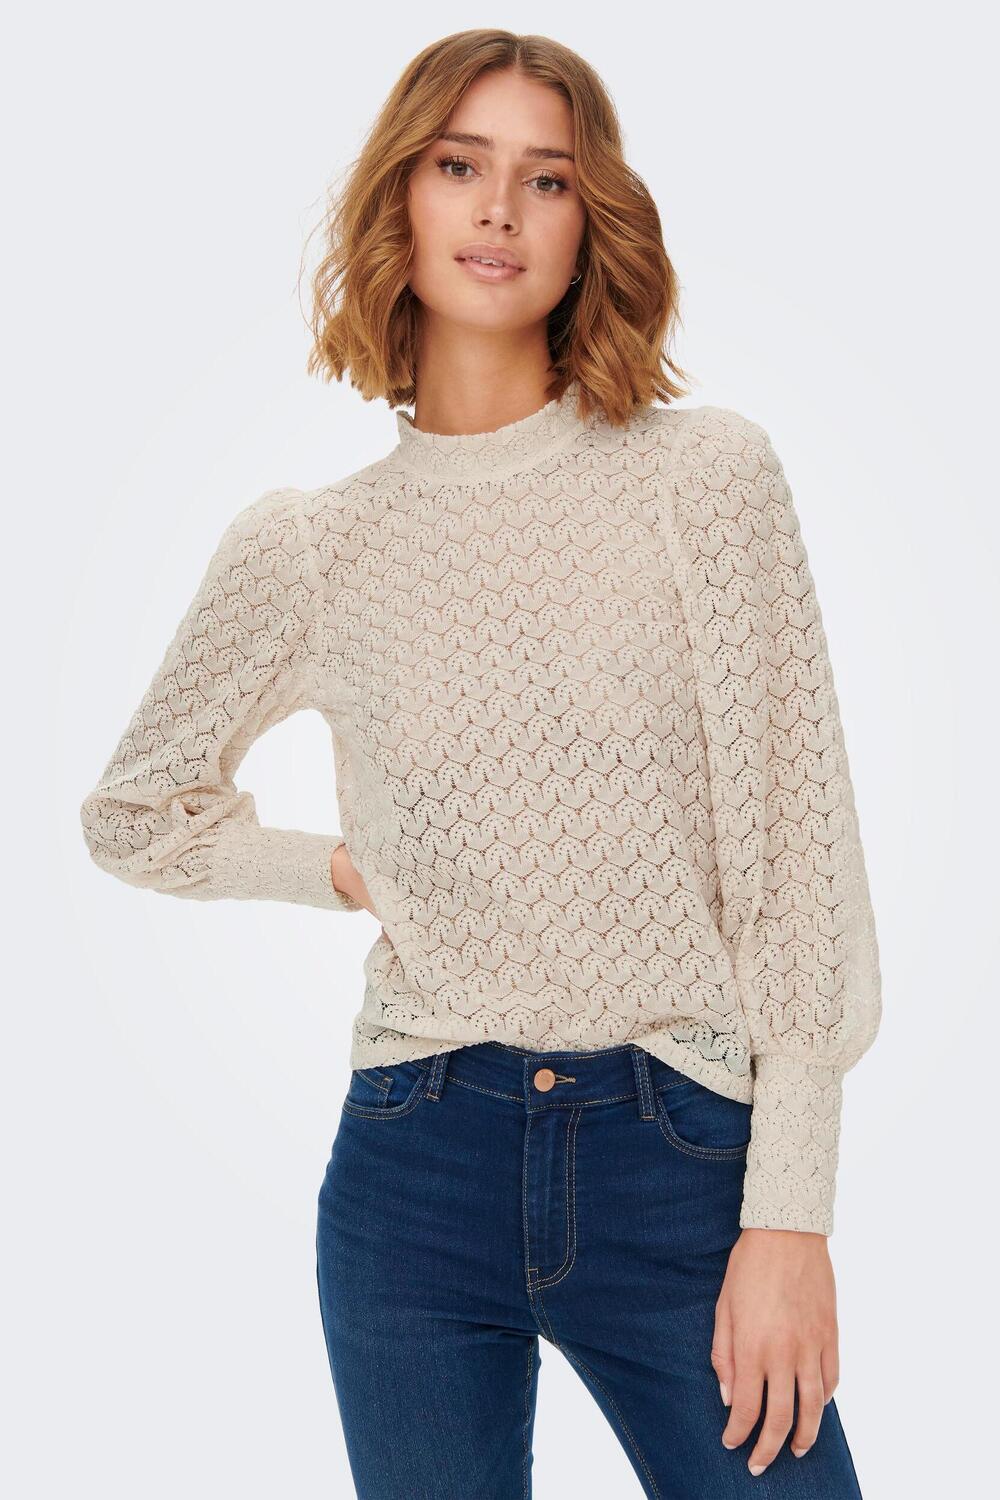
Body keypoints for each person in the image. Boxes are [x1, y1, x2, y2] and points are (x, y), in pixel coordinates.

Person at [79, 28, 882, 1499]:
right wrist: (339, 869)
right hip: (417, 1165)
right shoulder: (312, 547)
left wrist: (793, 1216)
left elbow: (796, 876)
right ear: (403, 196)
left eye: (546, 178)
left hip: (684, 1161)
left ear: (590, 224)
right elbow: (134, 814)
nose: (500, 209)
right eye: (460, 166)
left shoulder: (705, 481)